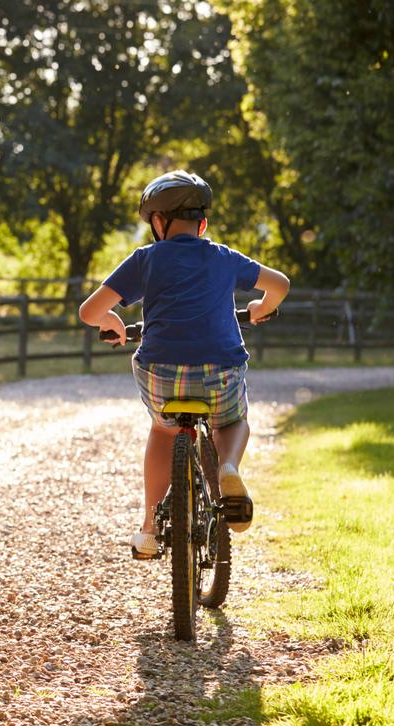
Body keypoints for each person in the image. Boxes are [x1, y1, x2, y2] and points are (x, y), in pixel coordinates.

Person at [78, 170, 290, 556]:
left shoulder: (145, 259)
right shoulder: (224, 257)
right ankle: (229, 469)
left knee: (162, 430)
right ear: (203, 224)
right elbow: (280, 284)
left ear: (158, 222)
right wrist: (261, 307)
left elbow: (90, 310)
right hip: (220, 370)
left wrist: (113, 322)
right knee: (232, 420)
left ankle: (147, 529)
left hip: (162, 372)